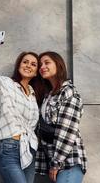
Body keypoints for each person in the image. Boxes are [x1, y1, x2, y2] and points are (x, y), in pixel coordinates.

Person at [0, 32, 41, 183]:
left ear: (36, 72)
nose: (28, 65)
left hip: (30, 150)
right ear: (19, 65)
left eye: (33, 64)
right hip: (10, 148)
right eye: (25, 62)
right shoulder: (7, 84)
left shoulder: (33, 94)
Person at [35, 51, 87, 183]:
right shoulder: (49, 95)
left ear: (59, 65)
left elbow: (67, 130)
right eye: (40, 64)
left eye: (47, 63)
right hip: (54, 161)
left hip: (69, 161)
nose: (42, 67)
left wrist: (56, 163)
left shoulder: (68, 91)